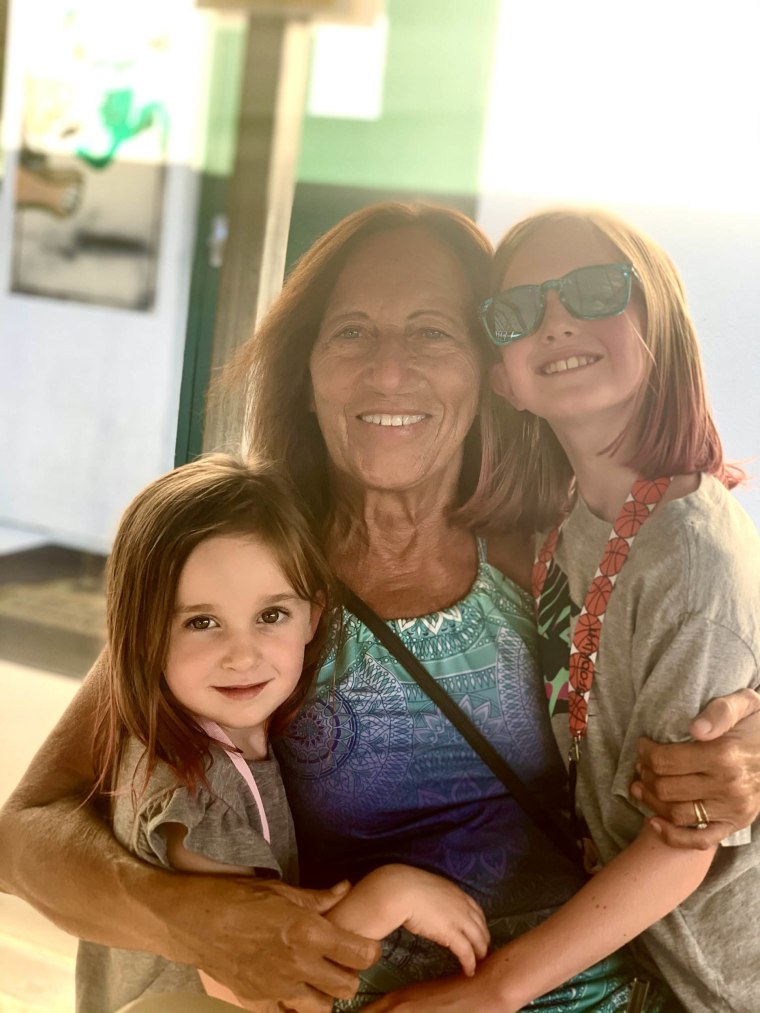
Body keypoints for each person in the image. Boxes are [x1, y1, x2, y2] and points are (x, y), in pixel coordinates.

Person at [1, 203, 759, 1013]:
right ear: (307, 371)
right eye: (353, 333)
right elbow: (27, 834)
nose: (389, 372)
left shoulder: (563, 546)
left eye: (434, 332)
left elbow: (706, 655)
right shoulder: (245, 575)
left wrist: (742, 742)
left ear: (491, 370)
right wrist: (197, 917)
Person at [367, 206, 759, 1013]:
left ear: (662, 322)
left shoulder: (688, 554)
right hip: (623, 949)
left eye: (592, 289)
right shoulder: (573, 519)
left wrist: (493, 992)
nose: (555, 321)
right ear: (501, 375)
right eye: (517, 312)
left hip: (713, 981)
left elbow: (684, 836)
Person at [76, 452, 490, 1012]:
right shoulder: (196, 798)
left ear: (313, 617)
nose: (243, 656)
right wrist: (393, 895)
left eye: (271, 615)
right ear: (141, 633)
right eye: (202, 622)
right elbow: (249, 978)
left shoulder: (206, 741)